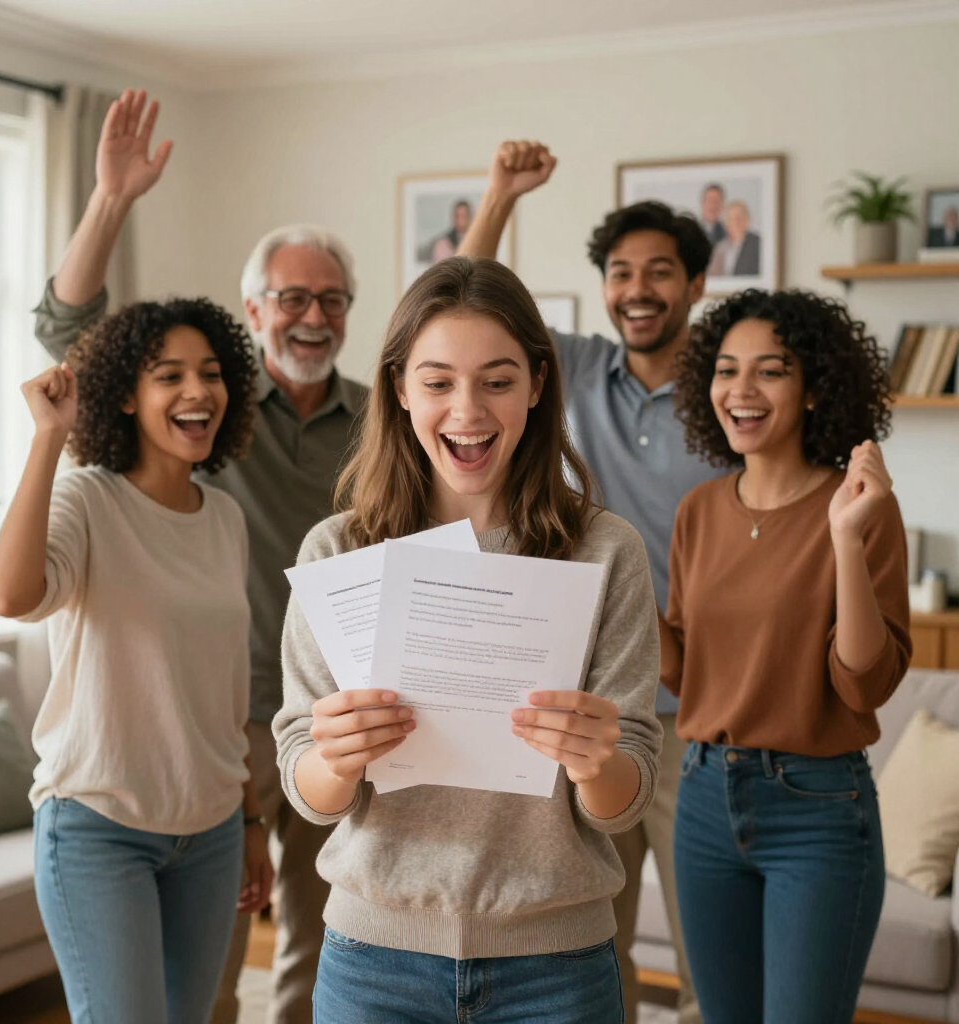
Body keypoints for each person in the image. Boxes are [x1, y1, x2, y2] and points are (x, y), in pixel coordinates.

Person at [31, 89, 369, 1024]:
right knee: (209, 984)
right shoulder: (205, 408)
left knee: (323, 945)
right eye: (292, 298)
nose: (312, 315)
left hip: (332, 708)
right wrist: (111, 200)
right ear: (255, 309)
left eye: (331, 300)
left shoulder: (377, 418)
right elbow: (70, 334)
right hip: (223, 722)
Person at [274, 255, 663, 1023]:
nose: (467, 410)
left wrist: (595, 762)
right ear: (399, 388)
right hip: (373, 961)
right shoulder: (338, 550)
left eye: (497, 380)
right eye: (438, 382)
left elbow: (624, 802)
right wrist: (334, 759)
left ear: (538, 384)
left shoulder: (605, 550)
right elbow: (305, 788)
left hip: (556, 965)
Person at [458, 140, 721, 1024]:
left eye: (659, 272)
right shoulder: (569, 369)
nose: (637, 289)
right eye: (620, 273)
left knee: (703, 951)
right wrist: (501, 196)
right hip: (581, 702)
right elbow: (460, 305)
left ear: (695, 284)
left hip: (692, 711)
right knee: (594, 942)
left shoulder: (727, 395)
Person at [0, 296, 272, 1024]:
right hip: (98, 826)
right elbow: (11, 596)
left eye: (211, 373)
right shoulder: (87, 499)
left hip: (211, 829)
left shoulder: (225, 518)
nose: (197, 391)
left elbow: (224, 688)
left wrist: (248, 821)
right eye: (168, 375)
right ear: (124, 397)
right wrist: (50, 437)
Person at [662, 289, 911, 1024]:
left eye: (770, 370)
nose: (741, 390)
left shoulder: (860, 506)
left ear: (813, 389)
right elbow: (684, 670)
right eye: (726, 369)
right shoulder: (698, 510)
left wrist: (844, 539)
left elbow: (862, 684)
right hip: (702, 797)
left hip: (819, 810)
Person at [708, 200, 761, 276]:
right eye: (730, 219)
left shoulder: (757, 244)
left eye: (738, 218)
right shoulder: (720, 247)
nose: (735, 222)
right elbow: (712, 275)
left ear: (747, 221)